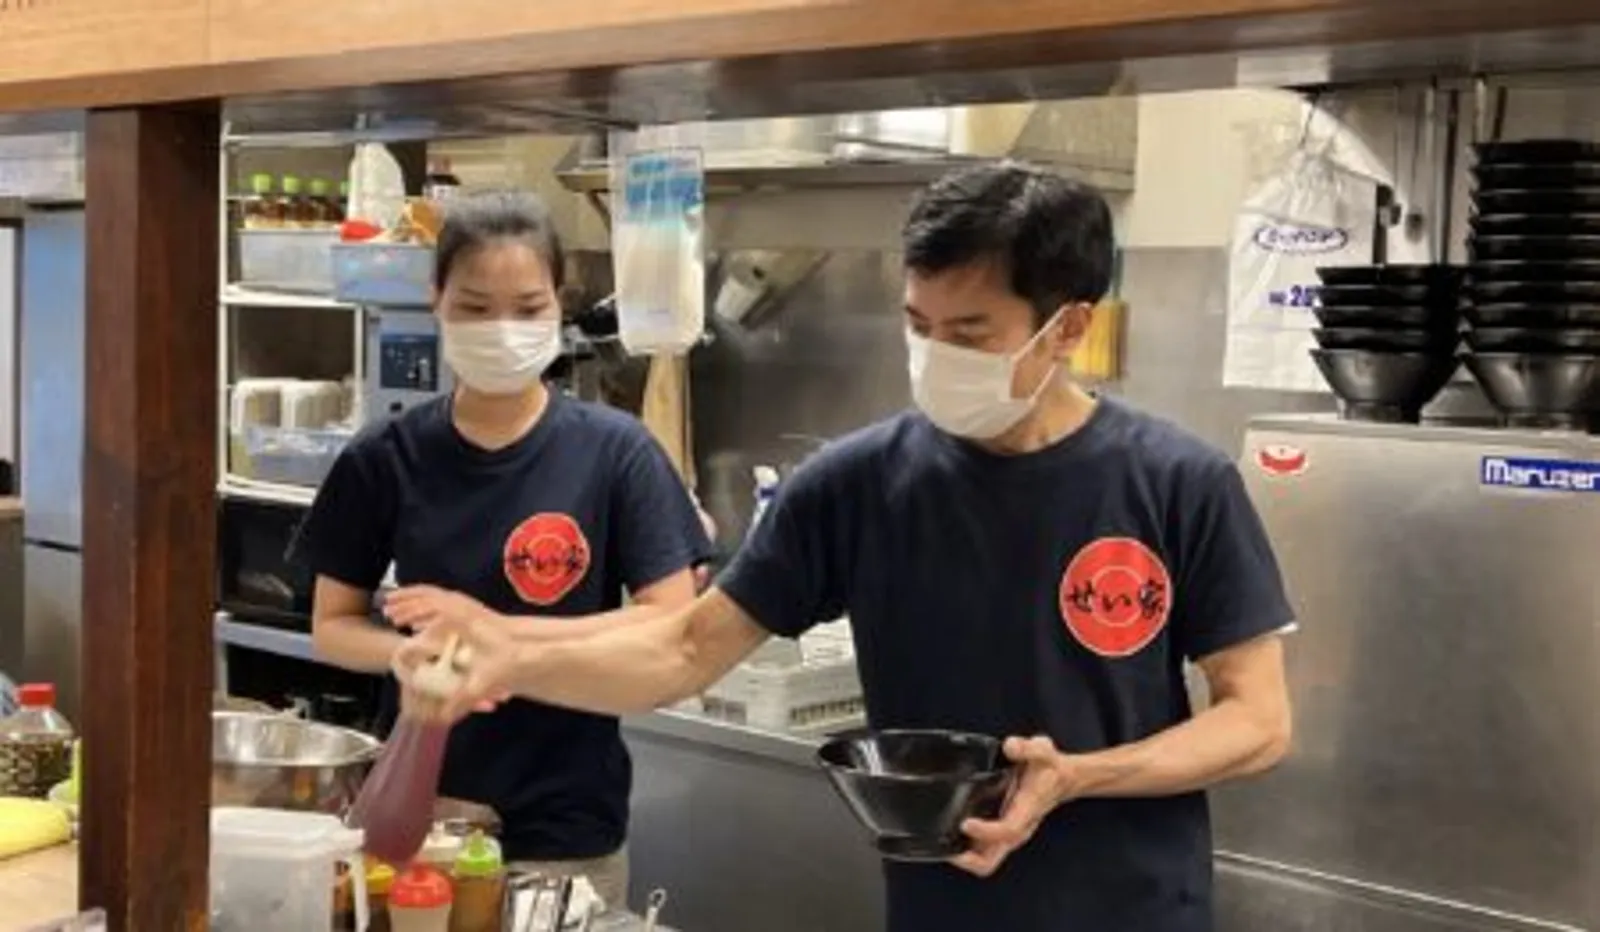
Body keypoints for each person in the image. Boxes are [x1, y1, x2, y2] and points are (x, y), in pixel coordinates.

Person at [394, 164, 1294, 932]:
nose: (936, 353)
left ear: (1068, 328)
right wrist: (503, 658)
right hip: (938, 911)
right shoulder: (858, 482)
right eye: (917, 325)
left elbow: (1257, 720)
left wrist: (1077, 778)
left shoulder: (1178, 483)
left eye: (970, 333)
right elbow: (682, 648)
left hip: (1135, 911)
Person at [303, 189, 711, 907]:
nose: (503, 329)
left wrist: (489, 635)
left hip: (568, 829)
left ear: (559, 301)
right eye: (475, 307)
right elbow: (332, 627)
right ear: (436, 301)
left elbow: (671, 621)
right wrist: (402, 654)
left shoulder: (617, 453)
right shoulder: (384, 457)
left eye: (527, 308)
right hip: (425, 820)